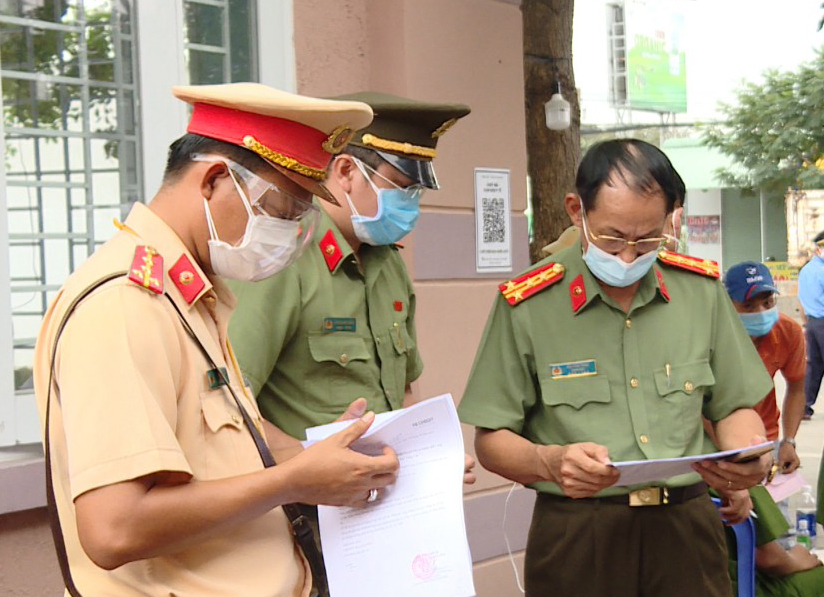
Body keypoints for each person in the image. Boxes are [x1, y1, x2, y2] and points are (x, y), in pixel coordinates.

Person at [33, 82, 401, 597]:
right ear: (212, 180)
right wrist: (294, 482)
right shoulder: (125, 303)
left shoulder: (189, 293)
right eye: (281, 210)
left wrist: (322, 457)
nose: (291, 234)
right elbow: (113, 529)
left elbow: (230, 442)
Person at [458, 138, 774, 597]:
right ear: (575, 210)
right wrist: (549, 460)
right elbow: (490, 441)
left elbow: (733, 406)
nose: (629, 255)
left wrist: (745, 456)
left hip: (686, 528)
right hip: (578, 534)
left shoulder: (699, 292)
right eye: (612, 237)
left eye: (647, 238)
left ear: (670, 217)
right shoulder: (528, 304)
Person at [228, 91, 470, 440]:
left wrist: (426, 458)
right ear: (345, 171)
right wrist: (310, 466)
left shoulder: (387, 262)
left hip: (380, 487)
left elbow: (401, 388)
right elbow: (232, 406)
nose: (411, 204)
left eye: (417, 192)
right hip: (304, 491)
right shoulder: (281, 258)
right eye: (401, 188)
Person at [723, 261, 805, 472]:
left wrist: (788, 441)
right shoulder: (713, 334)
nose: (760, 312)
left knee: (773, 503)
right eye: (749, 305)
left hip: (766, 438)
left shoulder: (788, 331)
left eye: (768, 303)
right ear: (727, 304)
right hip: (717, 442)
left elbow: (796, 388)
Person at [721, 487, 824, 597]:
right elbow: (772, 561)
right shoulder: (736, 483)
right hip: (737, 588)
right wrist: (797, 559)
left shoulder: (705, 483)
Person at [798, 231, 824, 419]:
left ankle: (804, 406)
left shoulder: (805, 270)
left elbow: (801, 300)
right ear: (818, 249)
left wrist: (806, 322)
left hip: (813, 323)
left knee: (814, 366)